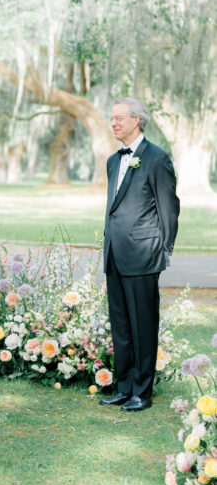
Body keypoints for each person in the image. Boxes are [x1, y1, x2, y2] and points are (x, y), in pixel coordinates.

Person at [99, 97, 180, 412]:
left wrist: (162, 251)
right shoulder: (112, 161)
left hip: (143, 257)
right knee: (120, 326)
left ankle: (142, 393)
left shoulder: (157, 159)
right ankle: (124, 387)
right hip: (115, 255)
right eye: (112, 118)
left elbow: (168, 211)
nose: (114, 123)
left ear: (137, 120)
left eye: (119, 117)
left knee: (143, 327)